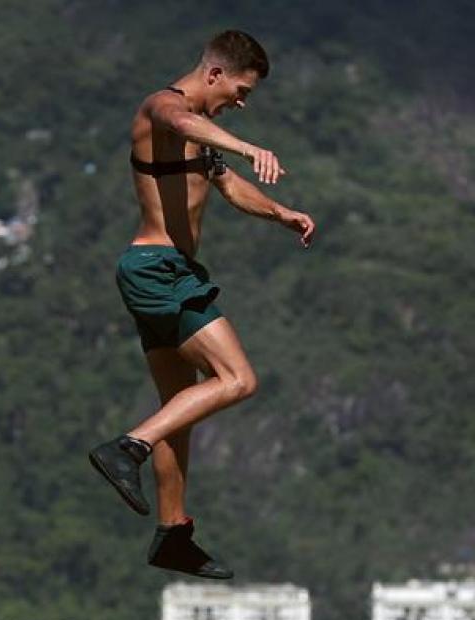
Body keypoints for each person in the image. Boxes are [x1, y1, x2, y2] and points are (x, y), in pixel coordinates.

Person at [88, 29, 316, 580]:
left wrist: (282, 213)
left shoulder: (199, 139)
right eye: (240, 91)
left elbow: (229, 186)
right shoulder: (163, 108)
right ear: (214, 73)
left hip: (164, 273)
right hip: (158, 270)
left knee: (181, 407)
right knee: (238, 379)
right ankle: (128, 447)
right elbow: (184, 120)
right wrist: (250, 145)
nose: (240, 103)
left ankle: (173, 533)